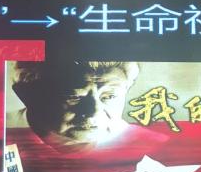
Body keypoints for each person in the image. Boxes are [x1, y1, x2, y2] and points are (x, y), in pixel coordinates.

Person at [9, 59, 140, 150]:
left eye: (110, 96)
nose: (94, 112)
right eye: (74, 97)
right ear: (27, 95)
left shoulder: (142, 144)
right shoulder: (1, 136)